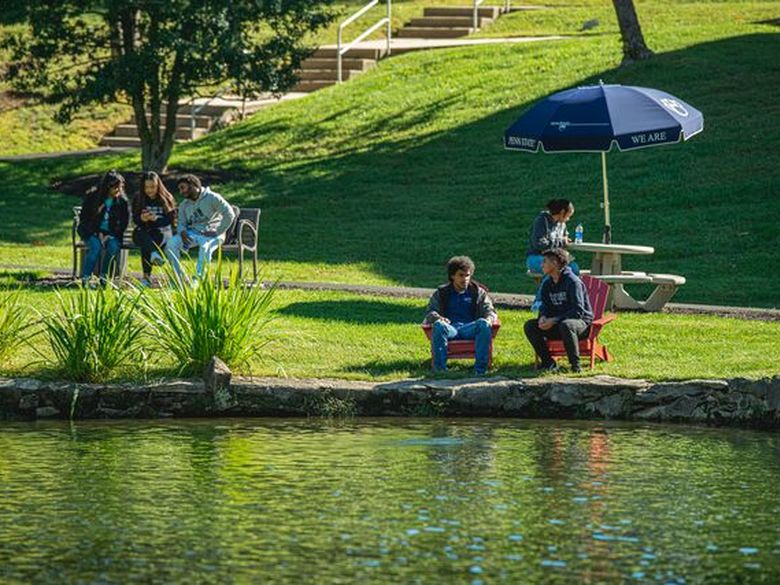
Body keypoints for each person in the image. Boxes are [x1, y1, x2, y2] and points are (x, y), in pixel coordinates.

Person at [424, 256, 498, 376]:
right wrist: (438, 318)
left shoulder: (478, 292)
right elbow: (430, 312)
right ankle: (440, 371)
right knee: (438, 325)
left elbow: (490, 310)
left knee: (483, 324)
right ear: (452, 276)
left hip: (469, 328)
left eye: (467, 275)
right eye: (461, 275)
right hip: (450, 328)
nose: (465, 279)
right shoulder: (441, 293)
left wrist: (489, 318)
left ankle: (480, 370)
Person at [524, 249, 593, 373]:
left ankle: (575, 366)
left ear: (555, 263)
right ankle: (548, 363)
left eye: (544, 262)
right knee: (530, 326)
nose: (541, 265)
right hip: (557, 324)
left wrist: (554, 320)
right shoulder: (547, 284)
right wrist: (543, 318)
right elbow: (545, 307)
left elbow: (578, 311)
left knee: (566, 324)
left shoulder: (572, 282)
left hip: (580, 325)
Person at [164, 174, 236, 285]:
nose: (181, 192)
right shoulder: (184, 205)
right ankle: (179, 279)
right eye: (179, 189)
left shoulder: (212, 197)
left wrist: (217, 231)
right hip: (193, 233)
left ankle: (197, 281)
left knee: (205, 246)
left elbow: (229, 214)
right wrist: (182, 232)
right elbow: (181, 223)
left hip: (212, 234)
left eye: (183, 188)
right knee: (171, 244)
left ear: (193, 185)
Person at [526, 198, 580, 311]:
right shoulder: (541, 221)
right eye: (568, 215)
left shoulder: (562, 225)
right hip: (536, 257)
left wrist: (565, 241)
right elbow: (539, 244)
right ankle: (539, 303)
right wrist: (561, 241)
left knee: (574, 268)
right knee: (552, 269)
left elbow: (564, 239)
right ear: (561, 212)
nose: (568, 219)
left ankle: (565, 302)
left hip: (555, 259)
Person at [77, 170, 129, 286]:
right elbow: (85, 219)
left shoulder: (122, 202)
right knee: (95, 246)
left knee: (113, 246)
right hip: (90, 231)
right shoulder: (93, 197)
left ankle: (104, 277)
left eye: (120, 187)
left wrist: (109, 234)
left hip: (112, 234)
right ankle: (86, 278)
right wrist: (97, 233)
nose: (117, 190)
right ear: (107, 186)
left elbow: (123, 223)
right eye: (114, 187)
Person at [132, 171, 177, 287]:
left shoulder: (166, 198)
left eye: (153, 187)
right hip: (144, 231)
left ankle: (146, 278)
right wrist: (142, 218)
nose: (149, 190)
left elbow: (170, 221)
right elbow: (135, 219)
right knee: (142, 236)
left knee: (146, 243)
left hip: (162, 232)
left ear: (158, 186)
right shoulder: (138, 198)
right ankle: (153, 254)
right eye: (146, 187)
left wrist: (156, 219)